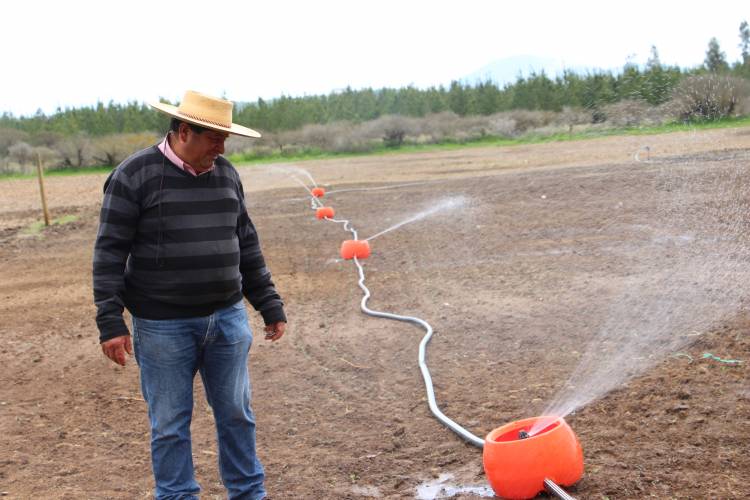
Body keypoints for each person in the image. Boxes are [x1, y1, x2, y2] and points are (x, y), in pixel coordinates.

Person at [93, 90, 286, 500]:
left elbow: (246, 243)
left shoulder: (227, 174)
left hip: (228, 319)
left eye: (225, 139)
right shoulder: (133, 175)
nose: (222, 147)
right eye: (214, 138)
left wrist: (267, 303)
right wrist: (110, 321)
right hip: (162, 326)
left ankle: (249, 493)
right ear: (184, 131)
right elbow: (109, 253)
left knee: (237, 414)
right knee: (169, 423)